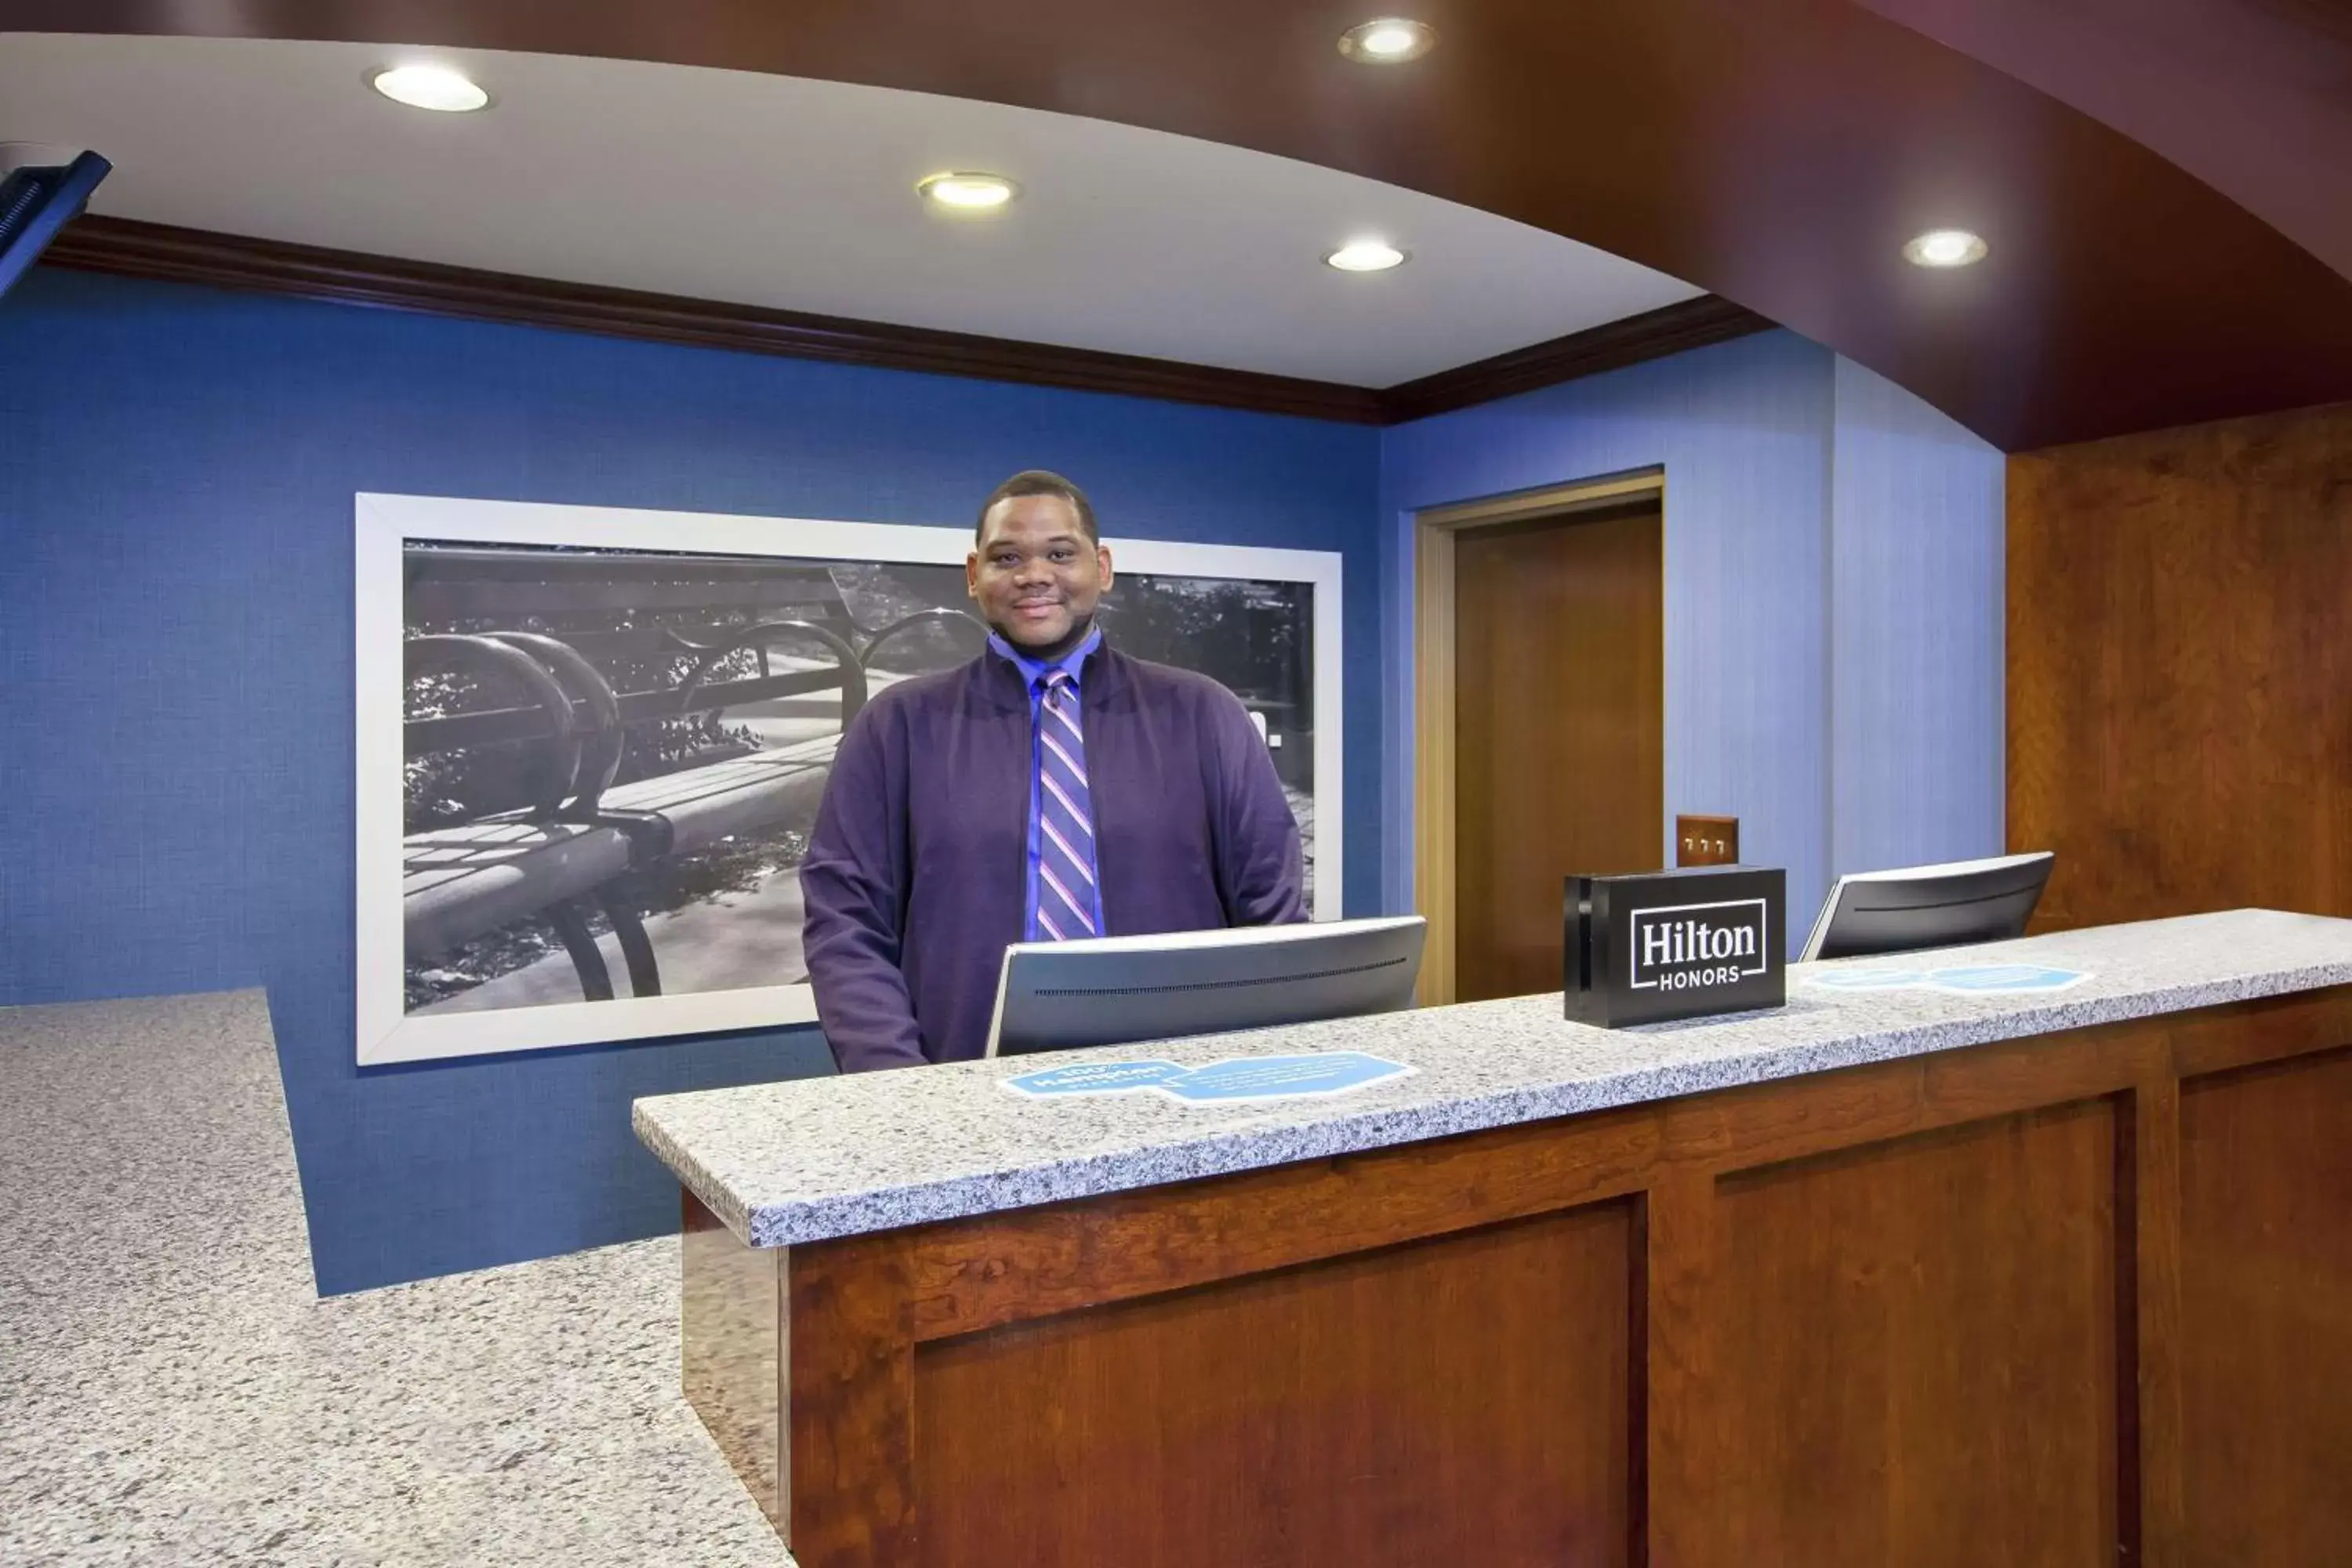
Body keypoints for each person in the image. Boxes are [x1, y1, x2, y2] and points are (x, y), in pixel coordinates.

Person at [800, 470, 1305, 1071]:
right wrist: (899, 1084)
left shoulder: (1203, 713)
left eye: (1060, 553)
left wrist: (1259, 1065)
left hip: (1183, 1081)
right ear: (973, 576)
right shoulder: (898, 727)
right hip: (964, 1086)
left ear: (1104, 567)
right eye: (1006, 556)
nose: (1034, 574)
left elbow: (1272, 910)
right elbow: (845, 924)